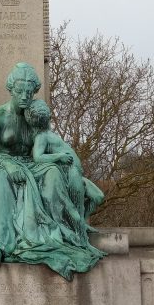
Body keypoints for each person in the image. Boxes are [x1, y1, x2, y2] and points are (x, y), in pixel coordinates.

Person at [0, 63, 103, 280]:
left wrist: (68, 166)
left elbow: (45, 147)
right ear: (11, 90)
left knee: (52, 172)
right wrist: (9, 164)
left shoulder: (35, 117)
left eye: (29, 92)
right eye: (19, 91)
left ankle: (56, 235)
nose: (25, 96)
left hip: (31, 164)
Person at [25, 99, 105, 245]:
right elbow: (37, 157)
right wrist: (59, 157)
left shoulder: (50, 133)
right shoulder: (41, 136)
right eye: (42, 117)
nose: (46, 119)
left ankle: (81, 223)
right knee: (76, 208)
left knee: (98, 197)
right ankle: (79, 227)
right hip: (68, 173)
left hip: (76, 173)